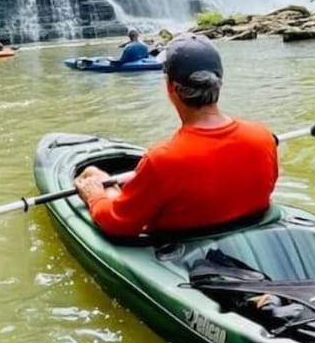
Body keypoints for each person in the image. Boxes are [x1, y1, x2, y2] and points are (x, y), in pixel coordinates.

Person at [74, 32, 279, 237]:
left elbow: (116, 223)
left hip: (186, 256)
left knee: (94, 174)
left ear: (170, 87)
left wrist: (96, 193)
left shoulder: (161, 160)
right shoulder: (263, 137)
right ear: (219, 81)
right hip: (250, 238)